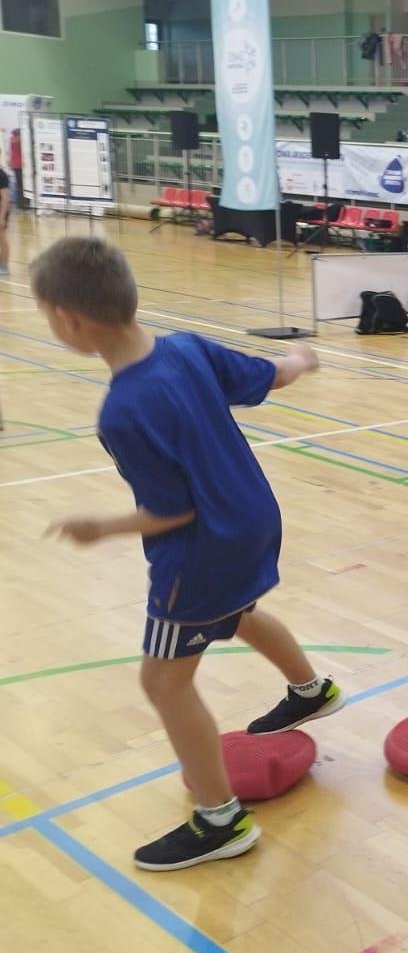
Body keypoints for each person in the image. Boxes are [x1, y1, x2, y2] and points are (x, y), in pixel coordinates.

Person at [32, 236, 341, 871]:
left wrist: (101, 527)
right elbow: (270, 375)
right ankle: (310, 689)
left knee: (164, 681)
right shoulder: (188, 349)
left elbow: (173, 512)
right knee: (239, 611)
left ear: (69, 320)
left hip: (200, 553)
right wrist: (301, 357)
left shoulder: (124, 409)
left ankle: (220, 820)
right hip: (253, 519)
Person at [0, 165, 10, 276]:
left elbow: (5, 198)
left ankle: (4, 266)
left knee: (2, 238)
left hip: (1, 210)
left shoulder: (2, 175)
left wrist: (2, 217)